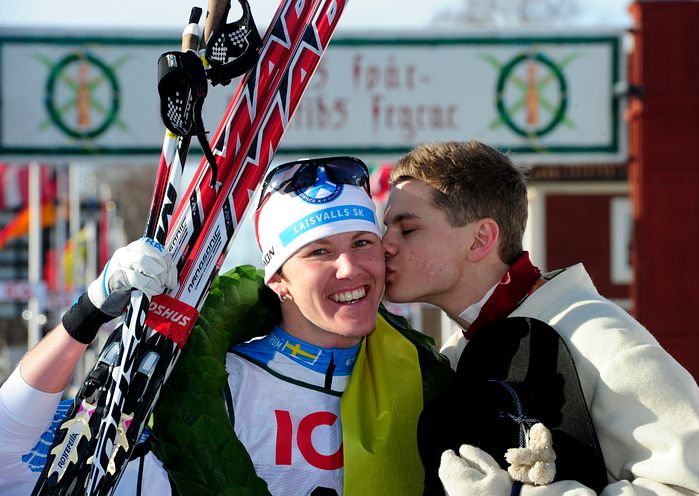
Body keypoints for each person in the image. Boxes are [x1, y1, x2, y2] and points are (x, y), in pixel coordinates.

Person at [0, 156, 452, 495]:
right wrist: (93, 306)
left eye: (362, 243)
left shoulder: (426, 376)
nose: (350, 267)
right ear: (278, 279)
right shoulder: (214, 387)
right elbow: (8, 456)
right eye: (319, 252)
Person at [381, 140, 699, 495]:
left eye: (407, 228)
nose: (385, 244)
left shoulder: (605, 345)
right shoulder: (457, 353)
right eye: (385, 228)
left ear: (480, 239)